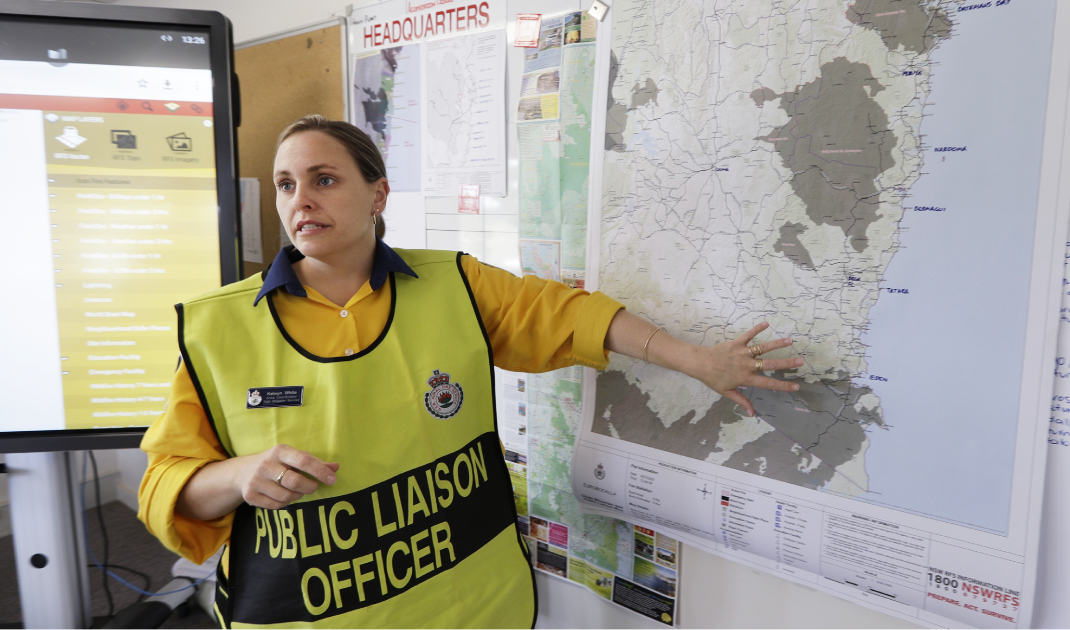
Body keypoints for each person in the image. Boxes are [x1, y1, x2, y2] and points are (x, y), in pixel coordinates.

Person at [138, 115, 802, 628]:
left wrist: (699, 360)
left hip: (467, 607)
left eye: (324, 179)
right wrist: (236, 475)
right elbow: (166, 486)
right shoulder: (218, 327)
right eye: (287, 184)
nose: (300, 199)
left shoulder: (454, 283)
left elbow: (571, 317)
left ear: (378, 194)